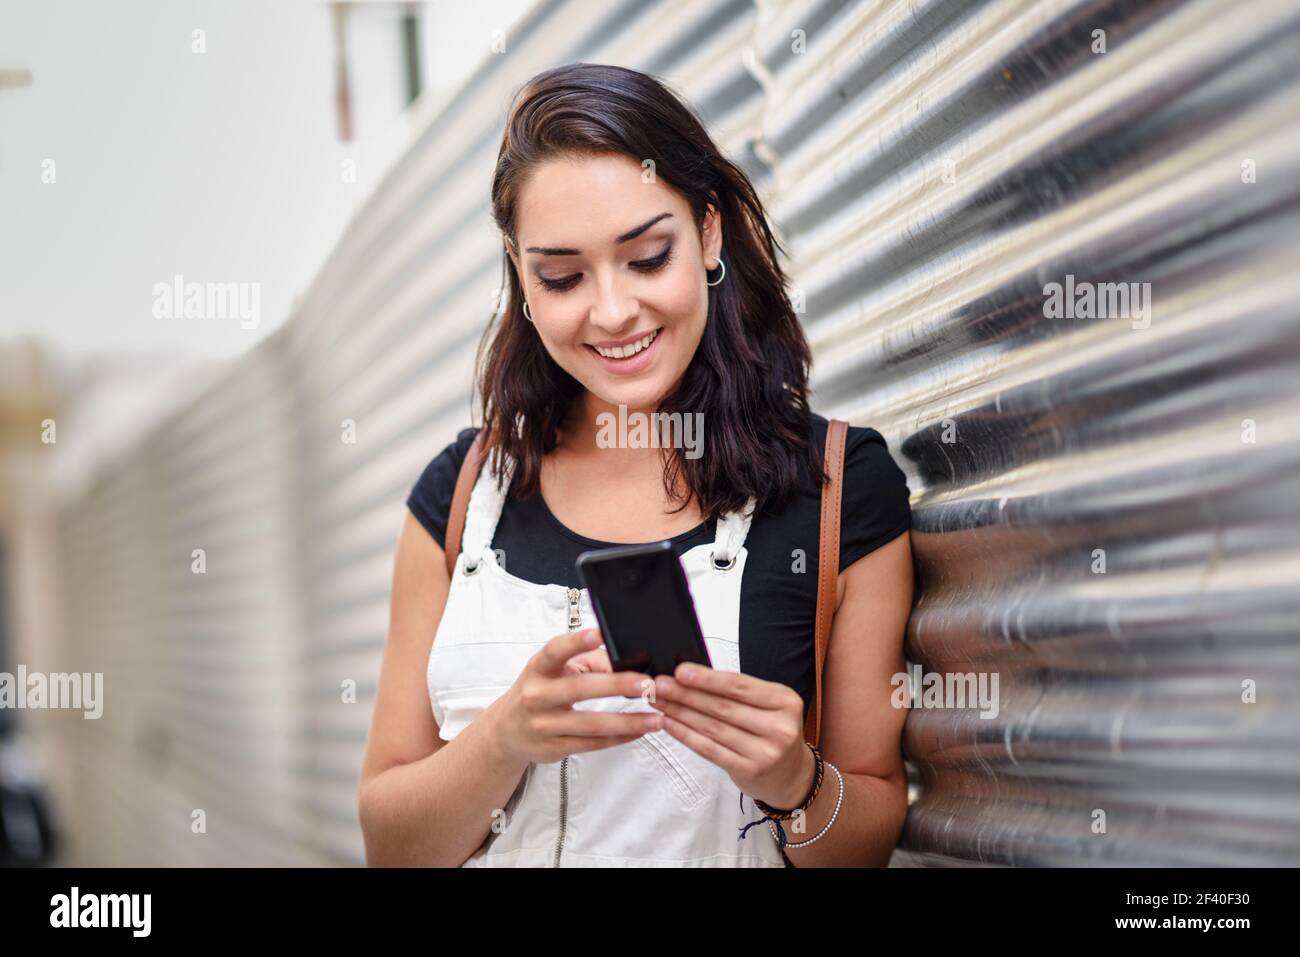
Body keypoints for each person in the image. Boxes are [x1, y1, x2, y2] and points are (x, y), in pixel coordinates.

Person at [358, 62, 913, 867]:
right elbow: (388, 845)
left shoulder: (836, 487)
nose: (613, 311)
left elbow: (867, 837)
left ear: (710, 230)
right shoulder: (459, 496)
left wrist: (795, 779)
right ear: (519, 272)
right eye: (562, 275)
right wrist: (506, 737)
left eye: (648, 257)